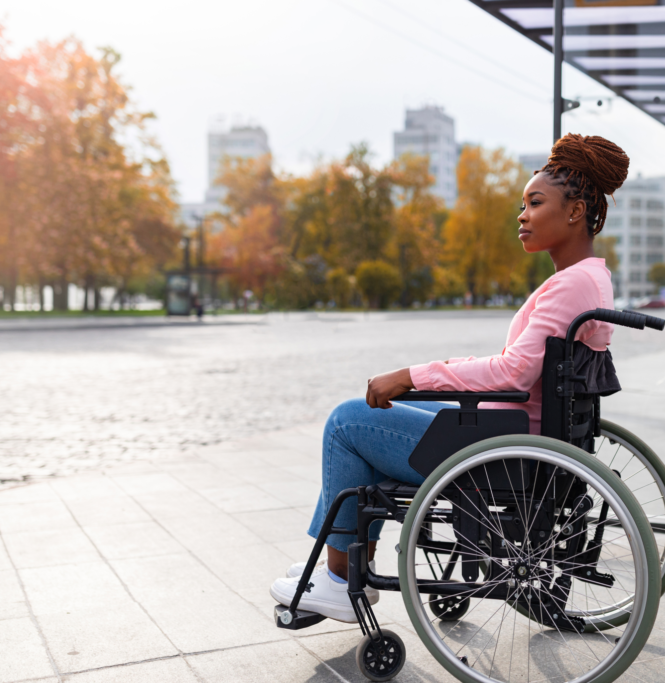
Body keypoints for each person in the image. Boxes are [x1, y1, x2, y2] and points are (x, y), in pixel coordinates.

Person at [269, 133, 629, 622]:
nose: (521, 215)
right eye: (523, 204)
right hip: (517, 430)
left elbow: (513, 371)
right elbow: (520, 369)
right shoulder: (589, 277)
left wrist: (415, 374)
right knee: (382, 416)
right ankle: (338, 568)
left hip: (503, 445)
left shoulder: (570, 284)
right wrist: (421, 381)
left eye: (534, 202)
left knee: (348, 423)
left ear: (575, 212)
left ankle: (336, 580)